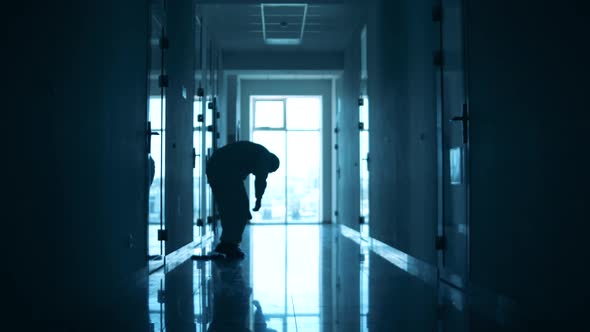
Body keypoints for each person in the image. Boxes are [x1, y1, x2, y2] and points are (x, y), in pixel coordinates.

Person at [206, 141, 280, 259]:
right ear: (269, 164)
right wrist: (258, 199)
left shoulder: (260, 152)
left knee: (229, 208)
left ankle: (227, 243)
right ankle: (230, 244)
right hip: (224, 170)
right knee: (241, 209)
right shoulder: (264, 158)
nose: (266, 173)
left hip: (216, 167)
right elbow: (261, 180)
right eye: (268, 171)